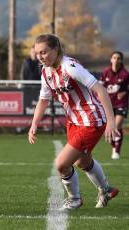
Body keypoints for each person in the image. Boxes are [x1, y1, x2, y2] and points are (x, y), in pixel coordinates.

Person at [28, 34, 119, 210]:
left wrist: (111, 122)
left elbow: (100, 89)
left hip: (91, 120)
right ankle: (106, 190)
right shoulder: (46, 71)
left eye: (44, 52)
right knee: (82, 162)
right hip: (75, 121)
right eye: (38, 52)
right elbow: (43, 99)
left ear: (56, 50)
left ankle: (75, 199)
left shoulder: (70, 67)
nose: (40, 56)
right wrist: (33, 124)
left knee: (61, 164)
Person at [100, 51, 129, 160]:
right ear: (111, 59)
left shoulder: (125, 74)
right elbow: (100, 88)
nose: (116, 60)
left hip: (122, 103)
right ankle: (114, 146)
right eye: (114, 57)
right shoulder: (105, 72)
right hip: (108, 104)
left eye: (118, 58)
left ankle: (116, 151)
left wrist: (125, 92)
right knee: (110, 129)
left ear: (121, 60)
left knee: (117, 126)